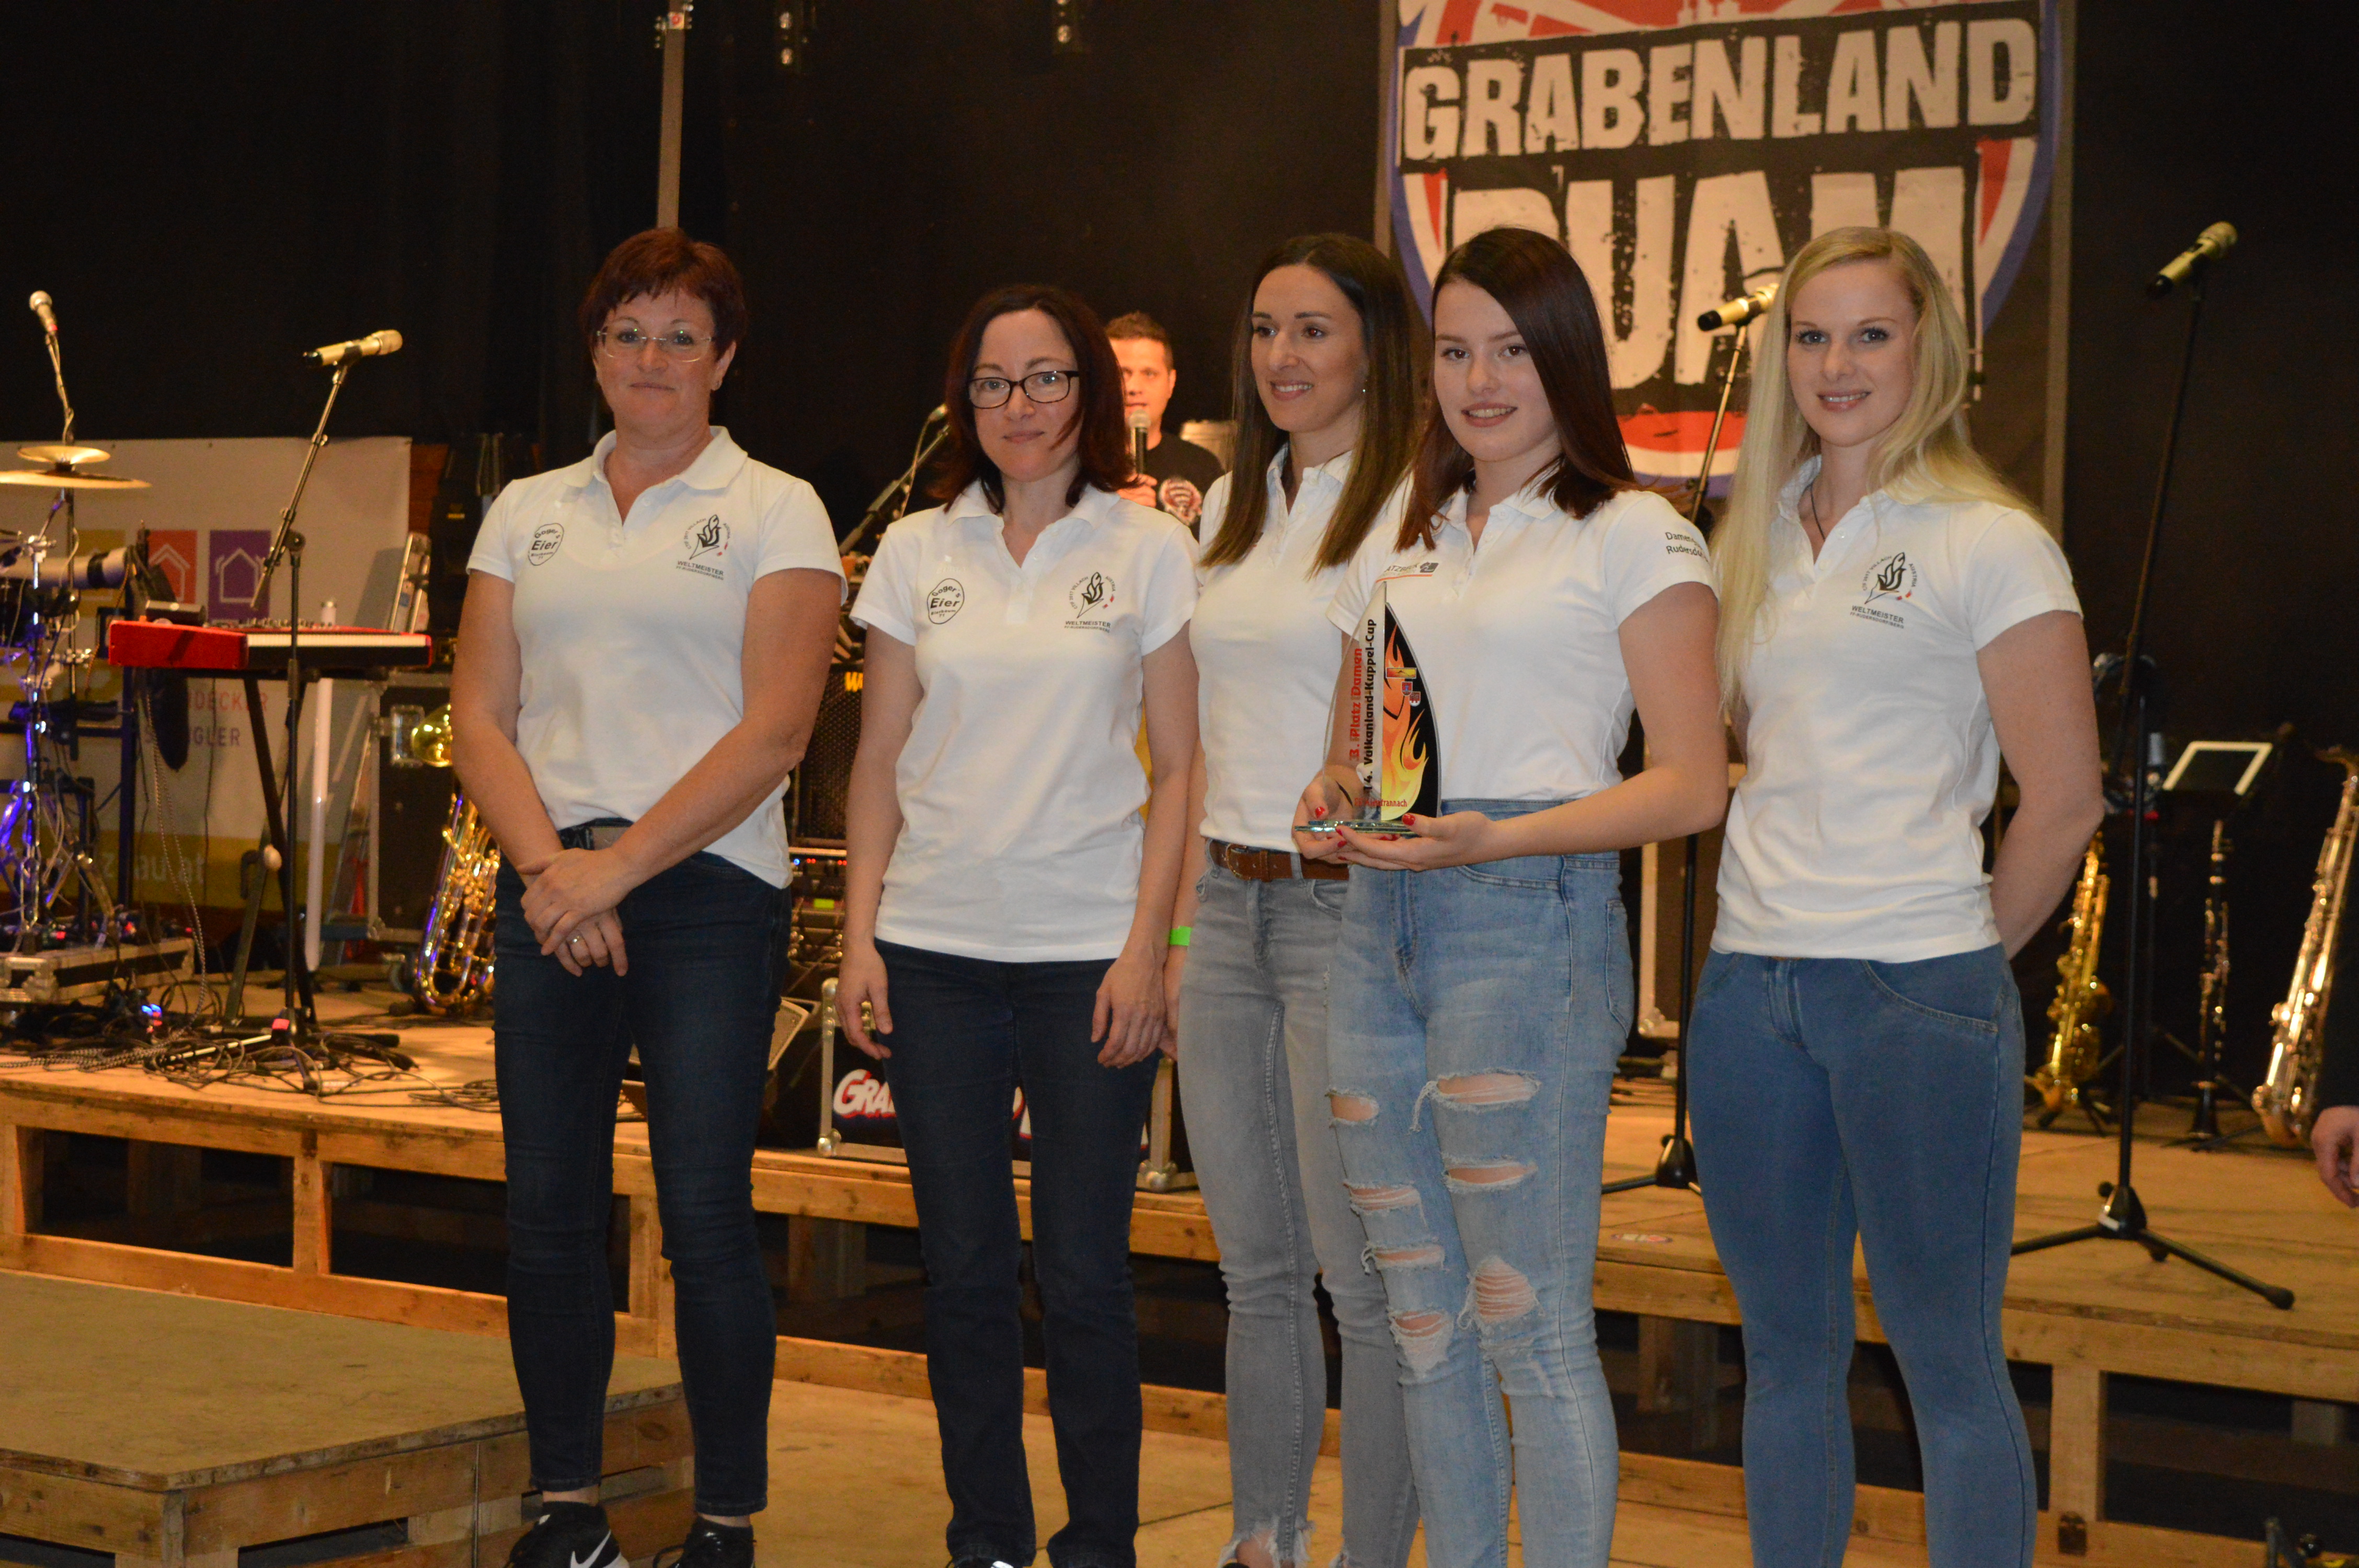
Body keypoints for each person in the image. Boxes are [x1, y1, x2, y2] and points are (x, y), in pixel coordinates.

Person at [1295, 226, 1728, 1568]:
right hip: (1379, 927)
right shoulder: (1400, 537)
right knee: (1421, 1318)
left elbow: (1692, 782)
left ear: (1567, 362)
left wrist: (1495, 841)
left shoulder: (1635, 532)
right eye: (1455, 352)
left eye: (1512, 351)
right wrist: (1331, 797)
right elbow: (1353, 750)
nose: (1480, 381)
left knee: (1525, 1316)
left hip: (1527, 922)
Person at [1686, 226, 2104, 1568]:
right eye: (1811, 336)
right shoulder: (1748, 537)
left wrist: (1952, 964)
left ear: (1930, 349)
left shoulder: (1989, 540)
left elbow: (2065, 800)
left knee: (1946, 1364)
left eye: (1870, 334)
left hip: (1913, 990)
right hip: (1749, 992)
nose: (1837, 364)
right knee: (1783, 1359)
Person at [450, 228, 845, 1568]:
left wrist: (613, 872)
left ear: (724, 360)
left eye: (682, 337)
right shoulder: (528, 510)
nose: (653, 359)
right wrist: (550, 872)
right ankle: (568, 1513)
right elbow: (479, 715)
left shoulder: (778, 507)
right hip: (551, 888)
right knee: (546, 1214)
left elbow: (776, 731)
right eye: (629, 333)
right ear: (596, 352)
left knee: (706, 1216)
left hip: (707, 896)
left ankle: (724, 1523)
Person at [833, 284, 1200, 1568]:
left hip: (1087, 956)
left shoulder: (1148, 547)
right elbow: (878, 757)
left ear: (1089, 391)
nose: (1020, 405)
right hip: (935, 953)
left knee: (1086, 1274)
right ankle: (985, 1537)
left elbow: (1182, 767)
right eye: (993, 382)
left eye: (1047, 378)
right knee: (966, 1269)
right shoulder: (917, 551)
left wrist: (1153, 949)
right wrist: (860, 936)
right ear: (964, 401)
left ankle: (1098, 1544)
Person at [1163, 233, 1427, 1568]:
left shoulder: (1412, 502)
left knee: (1362, 1279)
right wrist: (1174, 931)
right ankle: (1262, 1538)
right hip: (1225, 903)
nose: (1282, 355)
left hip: (1343, 910)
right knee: (1255, 1271)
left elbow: (1399, 726)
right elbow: (1194, 741)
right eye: (1266, 328)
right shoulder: (1233, 500)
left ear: (1375, 347)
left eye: (1314, 329)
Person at [1107, 310, 1226, 526]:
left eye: (1149, 374)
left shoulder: (1202, 466)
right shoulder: (1073, 465)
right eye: (1122, 373)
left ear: (1171, 383)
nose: (1134, 387)